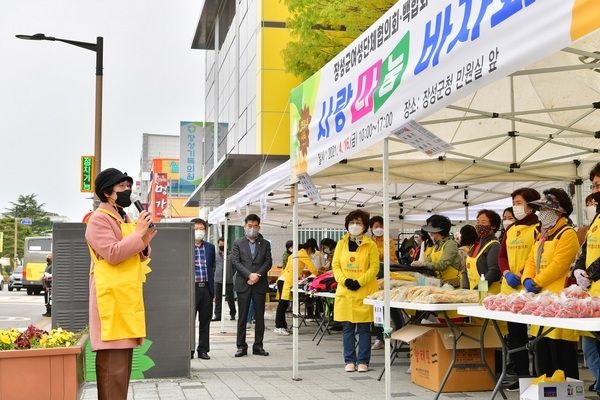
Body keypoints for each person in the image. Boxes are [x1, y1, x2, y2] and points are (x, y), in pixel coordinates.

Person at [85, 167, 157, 400]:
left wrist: (144, 238)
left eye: (129, 186)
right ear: (107, 192)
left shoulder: (123, 217)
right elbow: (113, 253)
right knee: (112, 367)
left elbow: (140, 255)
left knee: (123, 367)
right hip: (110, 299)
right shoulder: (99, 219)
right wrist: (138, 234)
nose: (128, 191)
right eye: (122, 187)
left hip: (125, 296)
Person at [521, 188, 580, 380]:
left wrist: (536, 282)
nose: (541, 214)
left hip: (559, 299)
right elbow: (531, 260)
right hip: (541, 300)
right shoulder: (542, 235)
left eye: (545, 210)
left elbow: (559, 265)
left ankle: (566, 391)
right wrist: (527, 279)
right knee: (543, 349)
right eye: (540, 210)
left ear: (559, 211)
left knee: (561, 351)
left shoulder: (567, 233)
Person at [498, 187, 540, 387]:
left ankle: (539, 375)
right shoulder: (510, 230)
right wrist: (506, 273)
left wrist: (524, 274)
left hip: (532, 287)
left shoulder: (539, 227)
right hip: (510, 290)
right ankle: (522, 375)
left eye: (519, 203)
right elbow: (502, 256)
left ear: (531, 205)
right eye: (514, 203)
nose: (516, 207)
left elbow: (537, 255)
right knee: (515, 336)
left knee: (538, 336)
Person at [332, 209, 379, 373]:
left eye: (358, 223)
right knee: (348, 328)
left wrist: (359, 282)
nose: (354, 225)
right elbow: (335, 265)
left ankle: (363, 361)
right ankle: (349, 360)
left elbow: (374, 268)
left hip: (364, 291)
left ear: (365, 226)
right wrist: (344, 280)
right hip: (345, 291)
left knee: (365, 329)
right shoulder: (340, 244)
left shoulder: (371, 245)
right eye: (351, 223)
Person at [573, 162, 600, 396]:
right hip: (592, 295)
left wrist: (591, 272)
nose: (594, 191)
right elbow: (585, 248)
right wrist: (579, 269)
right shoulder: (596, 219)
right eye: (593, 186)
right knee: (590, 346)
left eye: (599, 185)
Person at [232, 214, 273, 357]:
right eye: (250, 226)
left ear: (259, 227)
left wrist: (257, 276)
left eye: (255, 226)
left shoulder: (265, 244)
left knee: (259, 317)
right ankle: (241, 346)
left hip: (259, 283)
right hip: (244, 283)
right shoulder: (238, 243)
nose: (252, 229)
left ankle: (258, 346)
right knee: (242, 316)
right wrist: (249, 275)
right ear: (245, 226)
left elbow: (268, 262)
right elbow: (236, 262)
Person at [369, 215, 402, 350]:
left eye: (381, 226)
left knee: (393, 306)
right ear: (370, 228)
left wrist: (377, 255)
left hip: (388, 276)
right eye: (376, 226)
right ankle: (379, 337)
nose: (379, 229)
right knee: (378, 309)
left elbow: (390, 257)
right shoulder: (367, 241)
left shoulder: (388, 241)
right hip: (373, 278)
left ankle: (399, 334)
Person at [274, 243, 319, 335]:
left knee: (283, 304)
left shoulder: (293, 255)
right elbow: (313, 268)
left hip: (283, 279)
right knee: (283, 304)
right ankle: (279, 327)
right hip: (287, 281)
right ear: (307, 249)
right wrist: (317, 274)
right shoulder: (302, 254)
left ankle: (283, 326)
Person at [411, 214, 461, 287]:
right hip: (440, 284)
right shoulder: (435, 246)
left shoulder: (450, 244)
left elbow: (442, 265)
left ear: (438, 230)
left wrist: (424, 264)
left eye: (431, 228)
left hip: (453, 284)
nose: (429, 232)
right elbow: (428, 262)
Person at [461, 210, 501, 292]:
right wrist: (465, 289)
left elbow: (494, 272)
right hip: (473, 295)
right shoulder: (475, 245)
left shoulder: (494, 246)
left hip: (488, 294)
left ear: (493, 226)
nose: (479, 225)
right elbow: (466, 270)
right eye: (478, 222)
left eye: (483, 222)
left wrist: (479, 289)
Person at [213, 237, 236, 322]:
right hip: (218, 280)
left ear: (227, 245)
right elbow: (213, 266)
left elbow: (234, 267)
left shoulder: (231, 255)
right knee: (218, 299)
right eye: (220, 244)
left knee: (230, 298)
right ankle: (217, 315)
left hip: (228, 280)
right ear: (218, 245)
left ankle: (232, 313)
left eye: (223, 244)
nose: (222, 246)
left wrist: (230, 274)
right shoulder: (215, 255)